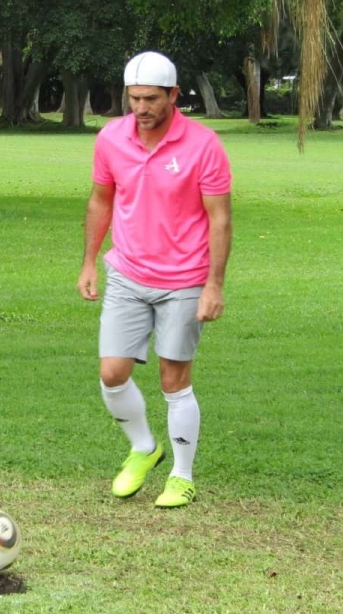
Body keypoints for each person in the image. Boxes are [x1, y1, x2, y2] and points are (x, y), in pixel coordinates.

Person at [77, 51, 232, 508]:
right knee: (111, 373)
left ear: (173, 96)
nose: (141, 108)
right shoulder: (111, 139)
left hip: (184, 279)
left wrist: (214, 284)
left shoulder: (204, 146)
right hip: (127, 273)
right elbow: (100, 202)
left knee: (173, 379)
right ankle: (144, 448)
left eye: (150, 99)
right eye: (133, 98)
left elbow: (219, 219)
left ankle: (182, 477)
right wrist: (89, 262)